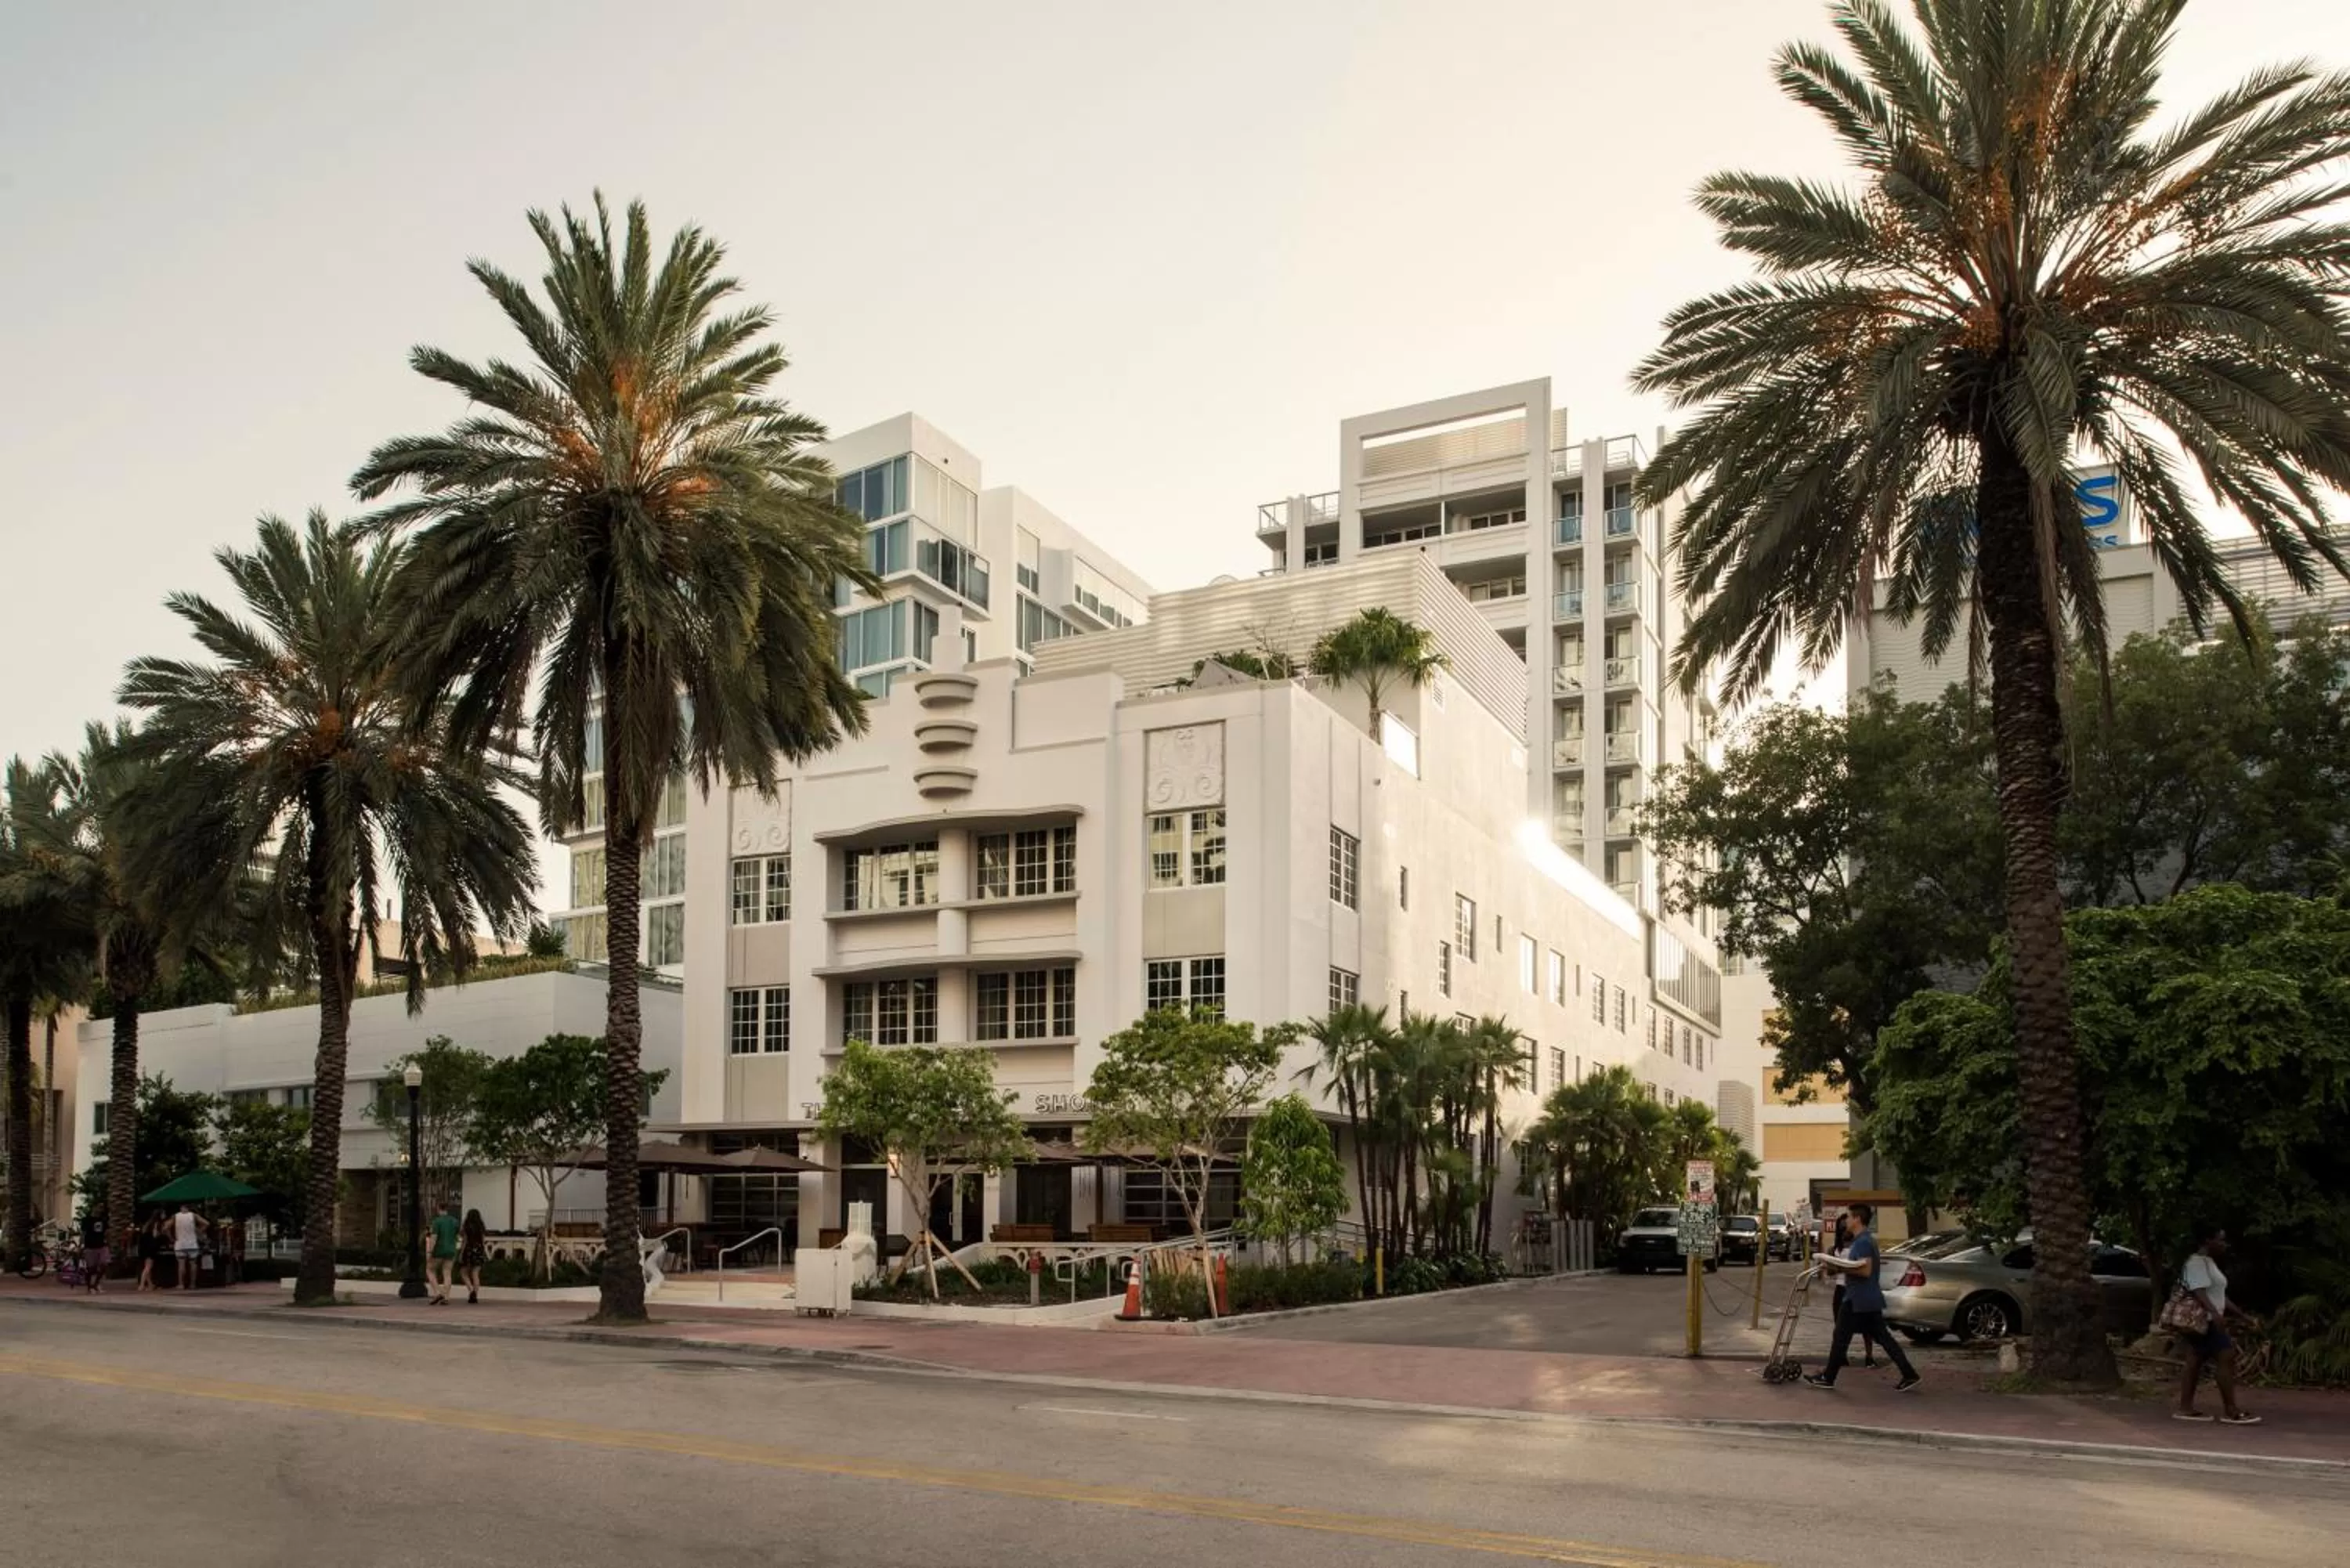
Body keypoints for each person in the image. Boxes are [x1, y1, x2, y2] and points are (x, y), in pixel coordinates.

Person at [1805, 1203, 1920, 1393]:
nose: (1846, 1221)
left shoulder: (1863, 1242)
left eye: (1849, 1217)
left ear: (1857, 1219)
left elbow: (1865, 1270)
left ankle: (1828, 1377)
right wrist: (1836, 1266)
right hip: (1867, 1299)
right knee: (1883, 1339)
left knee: (1841, 1337)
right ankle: (1909, 1374)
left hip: (1858, 1299)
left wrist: (1839, 1267)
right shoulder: (1864, 1240)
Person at [2174, 1223, 2261, 1425]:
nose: (2224, 1244)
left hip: (2209, 1320)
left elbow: (2220, 1296)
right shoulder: (2196, 1262)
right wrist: (2214, 1313)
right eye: (2220, 1239)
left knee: (2195, 1361)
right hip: (2206, 1321)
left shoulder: (2208, 1262)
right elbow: (2199, 1291)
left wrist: (2242, 1316)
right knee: (2226, 1356)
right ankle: (2231, 1410)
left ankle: (2185, 1408)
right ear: (2207, 1241)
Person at [1825, 1212, 1881, 1372]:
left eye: (1847, 1224)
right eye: (1843, 1226)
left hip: (1856, 1289)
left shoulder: (1860, 1244)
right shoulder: (1835, 1248)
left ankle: (1869, 1356)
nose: (1846, 1228)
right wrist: (1829, 1264)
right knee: (1841, 1326)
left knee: (1867, 1327)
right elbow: (1830, 1272)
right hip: (1841, 1288)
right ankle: (1840, 1357)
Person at [425, 1201, 461, 1305]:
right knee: (447, 1273)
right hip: (451, 1250)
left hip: (439, 1250)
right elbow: (457, 1236)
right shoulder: (455, 1221)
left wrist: (430, 1251)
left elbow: (434, 1238)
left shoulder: (437, 1222)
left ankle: (437, 1292)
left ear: (438, 1208)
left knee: (430, 1270)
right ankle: (446, 1296)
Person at [170, 1204, 208, 1290]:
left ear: (181, 1208)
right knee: (193, 1264)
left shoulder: (176, 1216)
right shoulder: (194, 1216)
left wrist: (171, 1238)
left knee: (181, 1264)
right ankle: (192, 1284)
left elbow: (165, 1227)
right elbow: (206, 1223)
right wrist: (198, 1231)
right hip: (192, 1244)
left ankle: (181, 1284)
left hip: (180, 1244)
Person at [458, 1209, 489, 1304]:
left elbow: (465, 1241)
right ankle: (475, 1293)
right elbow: (483, 1241)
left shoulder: (467, 1226)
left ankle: (471, 1290)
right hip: (479, 1250)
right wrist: (486, 1252)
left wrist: (461, 1253)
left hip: (469, 1250)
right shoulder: (481, 1227)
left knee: (463, 1272)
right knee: (475, 1273)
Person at [78, 1205, 109, 1293]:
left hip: (102, 1246)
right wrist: (81, 1246)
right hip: (90, 1246)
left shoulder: (103, 1220)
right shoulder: (86, 1220)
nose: (100, 1209)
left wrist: (108, 1242)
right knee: (91, 1268)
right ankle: (89, 1286)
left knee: (104, 1265)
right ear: (93, 1208)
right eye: (98, 1207)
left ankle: (96, 1284)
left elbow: (106, 1232)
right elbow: (83, 1233)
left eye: (101, 1208)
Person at [136, 1212, 164, 1291]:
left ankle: (150, 1284)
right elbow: (155, 1236)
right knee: (148, 1267)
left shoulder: (148, 1224)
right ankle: (142, 1285)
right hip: (151, 1247)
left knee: (147, 1266)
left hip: (144, 1246)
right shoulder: (156, 1224)